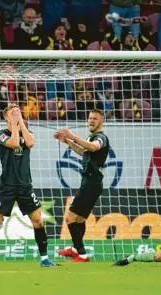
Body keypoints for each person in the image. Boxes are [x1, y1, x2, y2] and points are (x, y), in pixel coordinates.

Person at [0, 104, 57, 268]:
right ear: (5, 117)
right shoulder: (1, 135)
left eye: (18, 112)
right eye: (12, 113)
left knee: (39, 221)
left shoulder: (27, 133)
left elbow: (30, 142)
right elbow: (13, 143)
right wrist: (14, 125)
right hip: (7, 186)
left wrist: (20, 122)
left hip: (25, 185)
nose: (17, 114)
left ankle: (44, 259)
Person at [53, 109, 110, 262]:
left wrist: (72, 135)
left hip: (91, 183)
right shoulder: (91, 137)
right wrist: (67, 142)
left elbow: (93, 147)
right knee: (79, 220)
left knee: (70, 218)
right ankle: (74, 249)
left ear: (101, 122)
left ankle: (82, 254)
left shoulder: (101, 138)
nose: (91, 121)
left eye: (95, 119)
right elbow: (84, 151)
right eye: (90, 118)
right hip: (91, 182)